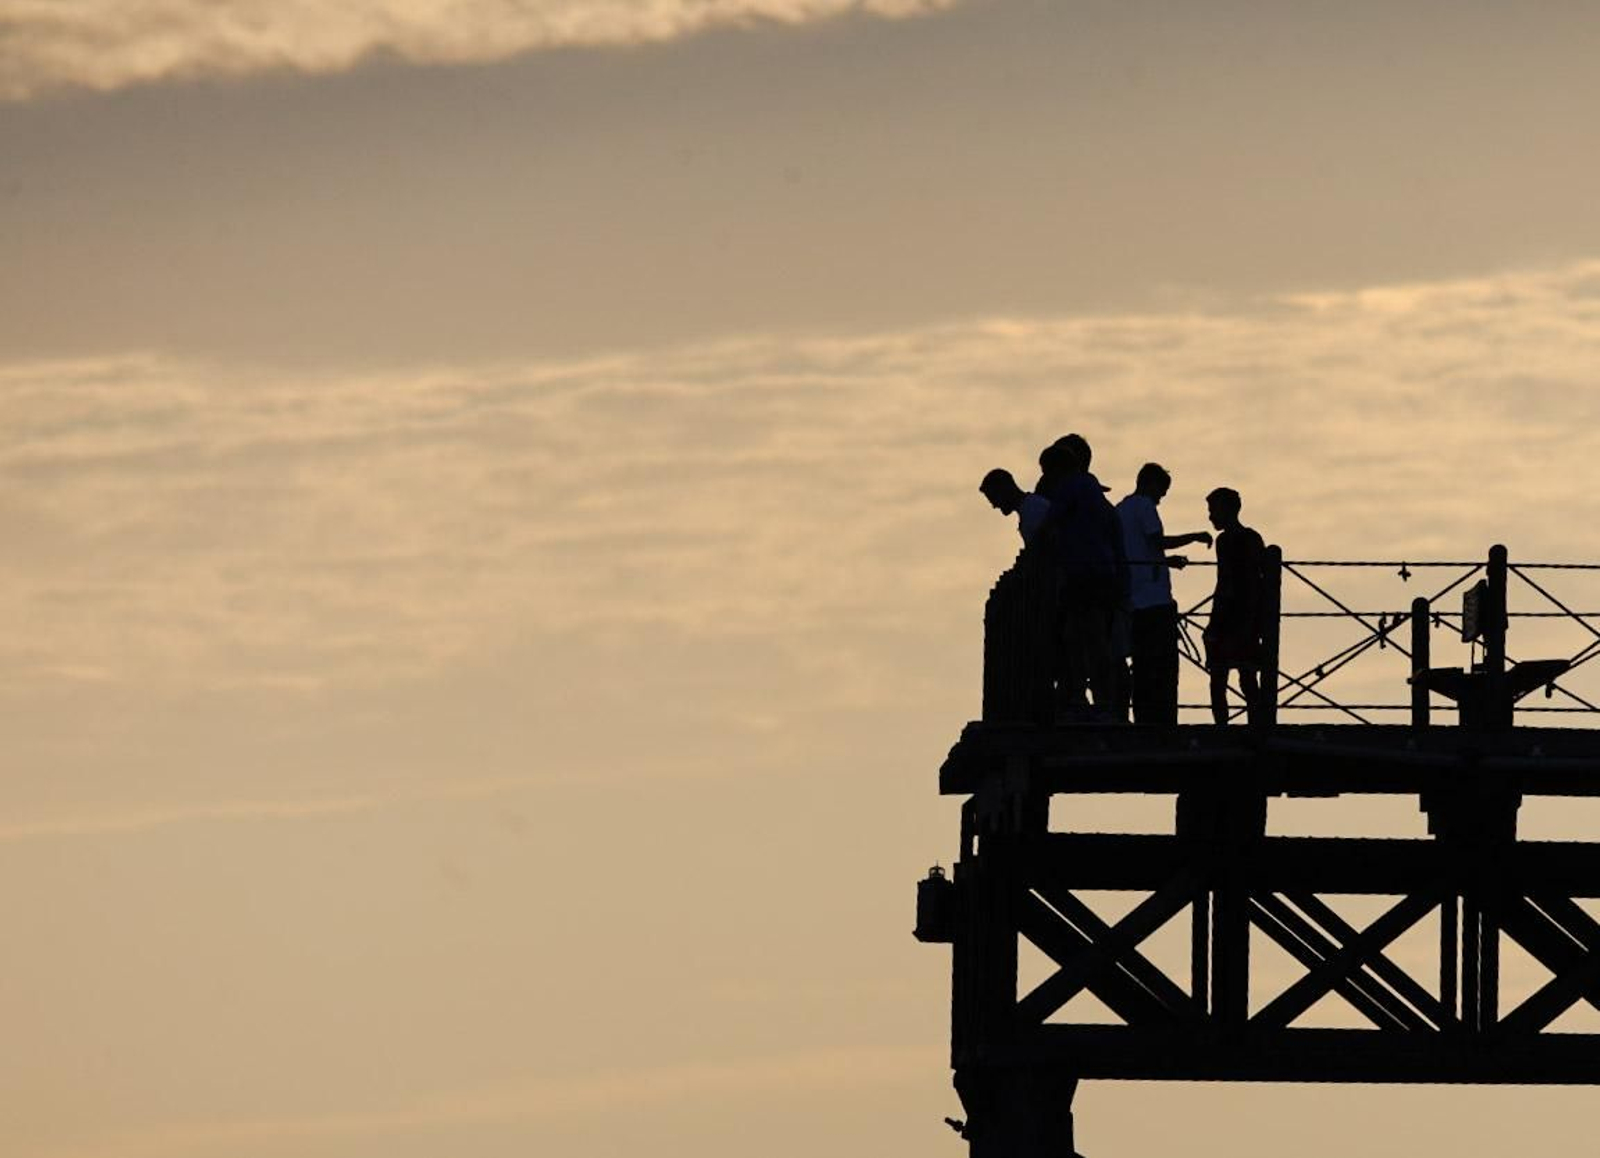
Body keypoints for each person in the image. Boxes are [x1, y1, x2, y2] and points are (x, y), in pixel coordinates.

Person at [1116, 464, 1212, 724]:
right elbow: (1157, 541)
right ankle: (1164, 723)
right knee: (1163, 668)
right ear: (1150, 484)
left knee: (1142, 666)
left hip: (1132, 600)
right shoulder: (1145, 507)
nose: (1161, 498)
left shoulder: (1121, 510)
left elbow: (1139, 551)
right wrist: (1194, 536)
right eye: (1161, 491)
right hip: (1155, 600)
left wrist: (1165, 561)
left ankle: (1142, 719)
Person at [1037, 434, 1124, 719]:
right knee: (1089, 637)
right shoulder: (1094, 491)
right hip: (1101, 573)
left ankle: (1085, 698)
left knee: (1082, 637)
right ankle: (1099, 699)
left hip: (1082, 572)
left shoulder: (1070, 486)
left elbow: (1048, 523)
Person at [1204, 487, 1266, 726]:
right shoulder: (1245, 539)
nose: (1211, 516)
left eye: (1214, 510)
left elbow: (1227, 583)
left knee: (1224, 678)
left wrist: (1214, 623)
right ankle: (1253, 725)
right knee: (1241, 677)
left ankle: (1227, 728)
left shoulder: (1235, 540)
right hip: (1242, 615)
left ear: (1229, 510)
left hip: (1235, 616)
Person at [979, 468, 1051, 546]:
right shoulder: (1030, 509)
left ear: (1005, 489)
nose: (994, 506)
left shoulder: (1034, 509)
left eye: (994, 499)